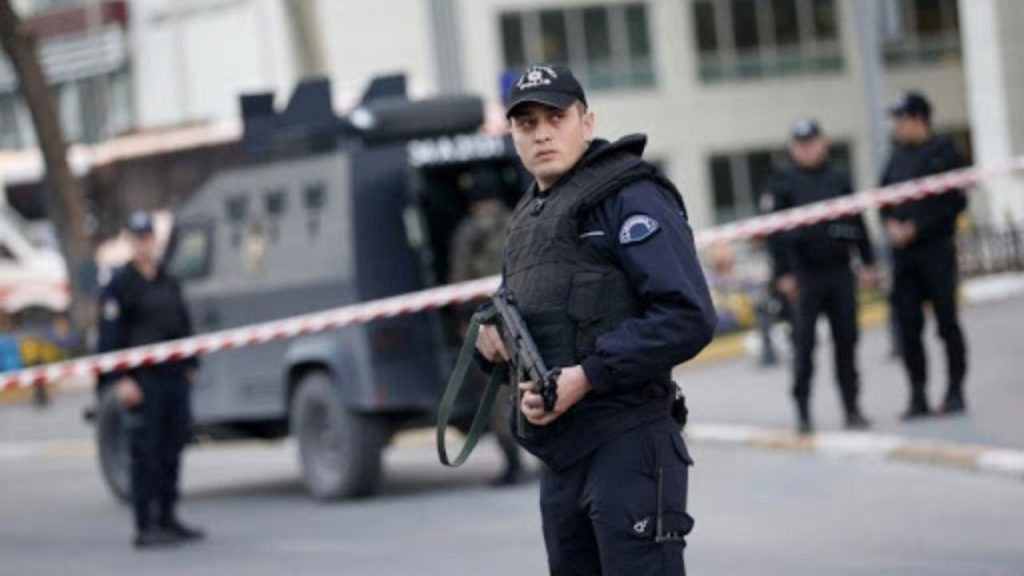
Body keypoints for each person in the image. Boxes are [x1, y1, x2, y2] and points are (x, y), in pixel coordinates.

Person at [475, 63, 716, 575]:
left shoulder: (629, 196)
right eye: (526, 123)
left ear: (586, 122)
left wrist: (588, 376)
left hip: (629, 444)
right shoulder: (530, 218)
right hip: (563, 456)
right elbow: (537, 315)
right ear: (512, 135)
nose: (541, 134)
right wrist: (492, 343)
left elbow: (687, 315)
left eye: (556, 118)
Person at [97, 211, 205, 548]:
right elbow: (110, 336)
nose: (144, 244)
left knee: (172, 447)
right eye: (138, 238)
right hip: (143, 379)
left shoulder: (167, 279)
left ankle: (168, 516)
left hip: (173, 375)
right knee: (146, 453)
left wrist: (190, 363)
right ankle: (145, 525)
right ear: (131, 241)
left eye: (148, 237)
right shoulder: (120, 284)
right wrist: (121, 379)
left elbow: (182, 322)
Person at [766, 119, 876, 434]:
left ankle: (852, 408)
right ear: (793, 148)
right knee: (804, 347)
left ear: (823, 143)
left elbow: (858, 221)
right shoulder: (783, 183)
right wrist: (783, 274)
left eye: (811, 142)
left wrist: (868, 261)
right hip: (804, 275)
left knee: (847, 341)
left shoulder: (839, 178)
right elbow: (774, 235)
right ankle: (803, 412)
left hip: (839, 270)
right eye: (801, 144)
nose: (807, 149)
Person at [880, 91, 969, 418]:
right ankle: (917, 395)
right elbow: (884, 199)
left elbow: (956, 201)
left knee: (947, 323)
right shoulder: (896, 158)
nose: (897, 126)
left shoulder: (944, 152)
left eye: (901, 120)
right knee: (908, 327)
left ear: (919, 119)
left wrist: (917, 228)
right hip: (904, 258)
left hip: (935, 251)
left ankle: (955, 390)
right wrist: (891, 225)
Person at [448, 168, 524, 486]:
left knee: (497, 393)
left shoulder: (469, 231)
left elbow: (460, 280)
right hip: (526, 315)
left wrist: (463, 323)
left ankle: (513, 464)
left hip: (490, 320)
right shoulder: (520, 220)